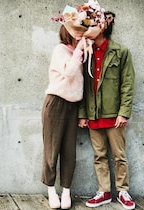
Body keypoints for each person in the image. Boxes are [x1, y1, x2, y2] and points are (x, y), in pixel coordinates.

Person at [78, 11, 136, 210]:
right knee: (99, 155)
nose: (86, 30)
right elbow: (82, 85)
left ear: (102, 26)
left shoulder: (121, 52)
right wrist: (82, 114)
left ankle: (122, 191)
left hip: (114, 115)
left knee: (119, 155)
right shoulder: (86, 53)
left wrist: (124, 112)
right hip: (93, 114)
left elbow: (127, 84)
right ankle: (104, 192)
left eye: (91, 26)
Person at [41, 24, 87, 209]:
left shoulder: (82, 53)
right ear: (66, 31)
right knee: (52, 151)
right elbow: (68, 72)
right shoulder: (60, 50)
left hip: (73, 106)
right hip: (56, 103)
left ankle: (66, 191)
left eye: (81, 30)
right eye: (74, 30)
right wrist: (79, 52)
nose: (78, 33)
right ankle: (51, 190)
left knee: (69, 152)